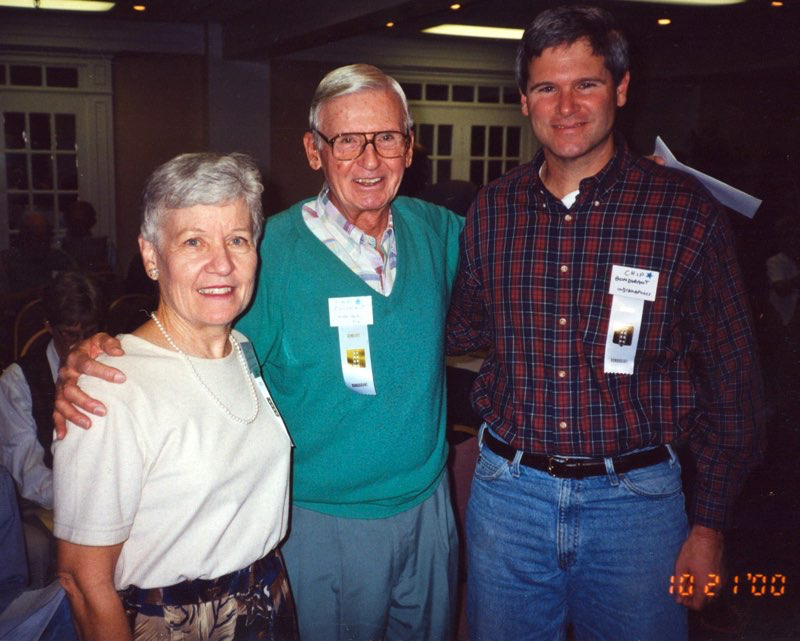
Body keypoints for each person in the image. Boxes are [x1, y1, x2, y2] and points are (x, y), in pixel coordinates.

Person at [53, 64, 462, 641]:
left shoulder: (440, 233)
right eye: (347, 140)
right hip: (321, 523)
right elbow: (184, 336)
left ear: (409, 147)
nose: (369, 159)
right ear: (314, 151)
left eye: (387, 137)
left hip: (427, 510)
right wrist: (93, 357)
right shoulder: (265, 253)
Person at [446, 6, 765, 641]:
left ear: (620, 89)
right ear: (524, 101)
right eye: (546, 87)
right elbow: (463, 330)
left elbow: (734, 384)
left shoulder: (683, 214)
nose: (565, 106)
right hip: (508, 500)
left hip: (639, 511)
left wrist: (709, 527)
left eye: (585, 83)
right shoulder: (493, 210)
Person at [53, 153, 296, 641]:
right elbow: (82, 581)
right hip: (178, 624)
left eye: (237, 239)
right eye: (193, 241)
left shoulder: (241, 349)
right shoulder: (110, 386)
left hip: (266, 602)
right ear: (150, 256)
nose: (222, 263)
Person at [0, 270, 104, 588]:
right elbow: (28, 474)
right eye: (72, 334)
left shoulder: (108, 364)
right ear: (48, 326)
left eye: (90, 330)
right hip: (46, 501)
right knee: (38, 547)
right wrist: (84, 501)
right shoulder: (17, 382)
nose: (84, 343)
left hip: (103, 492)